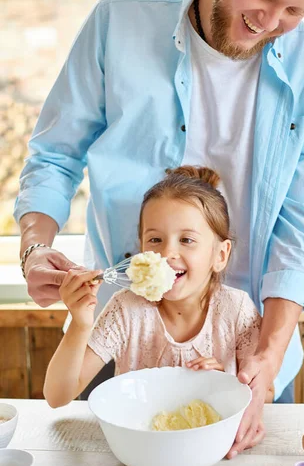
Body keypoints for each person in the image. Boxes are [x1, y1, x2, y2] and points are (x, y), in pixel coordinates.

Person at [15, 0, 304, 458]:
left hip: (251, 353)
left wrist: (267, 355)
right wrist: (34, 248)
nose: (269, 23)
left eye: (294, 11)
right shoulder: (117, 23)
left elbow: (302, 219)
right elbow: (55, 155)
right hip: (130, 350)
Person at [44, 167, 268, 438]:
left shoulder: (237, 310)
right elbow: (57, 396)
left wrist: (224, 385)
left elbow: (266, 392)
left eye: (186, 240)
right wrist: (79, 323)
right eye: (155, 240)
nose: (167, 253)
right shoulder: (125, 309)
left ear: (220, 255)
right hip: (139, 446)